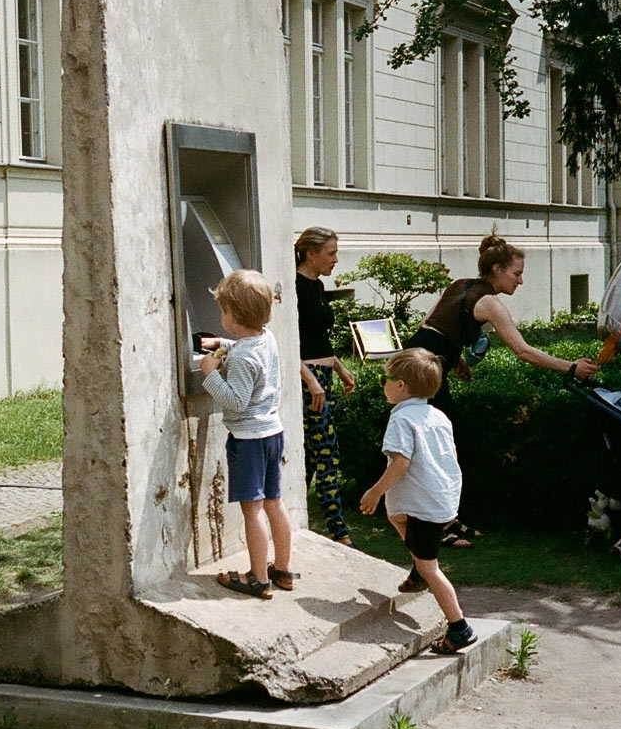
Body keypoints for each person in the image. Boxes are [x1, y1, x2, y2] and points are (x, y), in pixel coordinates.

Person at [403, 231, 599, 558]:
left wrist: (456, 361)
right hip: (422, 376)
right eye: (516, 273)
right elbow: (522, 350)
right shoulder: (489, 301)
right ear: (496, 269)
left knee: (446, 448)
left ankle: (447, 519)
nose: (520, 281)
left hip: (419, 368)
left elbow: (430, 326)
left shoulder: (459, 285)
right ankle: (435, 527)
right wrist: (571, 367)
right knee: (434, 453)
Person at [360, 348, 476, 656]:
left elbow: (400, 463)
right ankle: (417, 569)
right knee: (396, 516)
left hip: (424, 505)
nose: (382, 383)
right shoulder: (437, 416)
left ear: (400, 386)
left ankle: (459, 627)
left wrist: (374, 492)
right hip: (440, 499)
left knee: (431, 569)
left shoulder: (401, 421)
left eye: (383, 378)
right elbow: (452, 455)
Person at [198, 269, 295, 598]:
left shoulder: (239, 357)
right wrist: (221, 344)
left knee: (252, 510)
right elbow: (246, 347)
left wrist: (210, 374)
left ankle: (257, 577)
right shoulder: (266, 338)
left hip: (249, 440)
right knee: (274, 503)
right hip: (272, 433)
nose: (221, 314)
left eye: (223, 309)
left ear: (233, 314)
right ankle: (281, 569)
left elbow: (236, 403)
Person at [295, 226, 356, 546]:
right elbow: (288, 342)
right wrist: (310, 382)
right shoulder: (294, 286)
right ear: (311, 253)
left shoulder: (317, 286)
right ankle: (339, 531)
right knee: (327, 455)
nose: (335, 259)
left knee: (308, 456)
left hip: (324, 378)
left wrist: (340, 368)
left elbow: (317, 340)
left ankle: (296, 524)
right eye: (330, 253)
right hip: (309, 383)